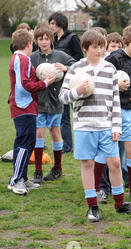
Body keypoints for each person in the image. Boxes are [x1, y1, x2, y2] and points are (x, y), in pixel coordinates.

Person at [58, 29, 131, 222]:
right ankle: (92, 206)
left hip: (106, 126)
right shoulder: (76, 69)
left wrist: (116, 127)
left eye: (101, 47)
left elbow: (115, 100)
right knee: (87, 164)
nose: (99, 50)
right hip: (84, 126)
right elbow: (62, 97)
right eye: (95, 47)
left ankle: (120, 203)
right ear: (85, 48)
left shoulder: (109, 69)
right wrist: (77, 91)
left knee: (115, 163)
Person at [94, 24, 131, 204]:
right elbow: (100, 82)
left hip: (129, 111)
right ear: (126, 42)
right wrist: (116, 86)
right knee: (107, 151)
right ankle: (100, 189)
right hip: (111, 112)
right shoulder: (114, 59)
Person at [7, 29, 56, 195]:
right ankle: (16, 180)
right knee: (27, 142)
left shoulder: (19, 58)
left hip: (24, 106)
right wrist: (45, 83)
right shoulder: (22, 60)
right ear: (29, 44)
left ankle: (22, 178)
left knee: (23, 142)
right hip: (23, 106)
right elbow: (24, 85)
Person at [30, 23, 76, 184]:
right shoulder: (33, 58)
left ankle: (57, 168)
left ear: (51, 39)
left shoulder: (61, 55)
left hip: (56, 102)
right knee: (39, 133)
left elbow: (77, 66)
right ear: (36, 40)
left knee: (55, 132)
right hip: (39, 102)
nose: (43, 42)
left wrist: (66, 68)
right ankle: (38, 171)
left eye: (46, 39)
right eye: (40, 39)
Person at [48, 12, 84, 154]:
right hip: (55, 82)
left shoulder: (72, 38)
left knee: (65, 116)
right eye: (50, 23)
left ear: (60, 23)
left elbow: (80, 59)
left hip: (70, 81)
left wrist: (66, 68)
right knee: (59, 115)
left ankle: (67, 146)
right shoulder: (53, 40)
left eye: (52, 23)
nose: (51, 26)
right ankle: (63, 144)